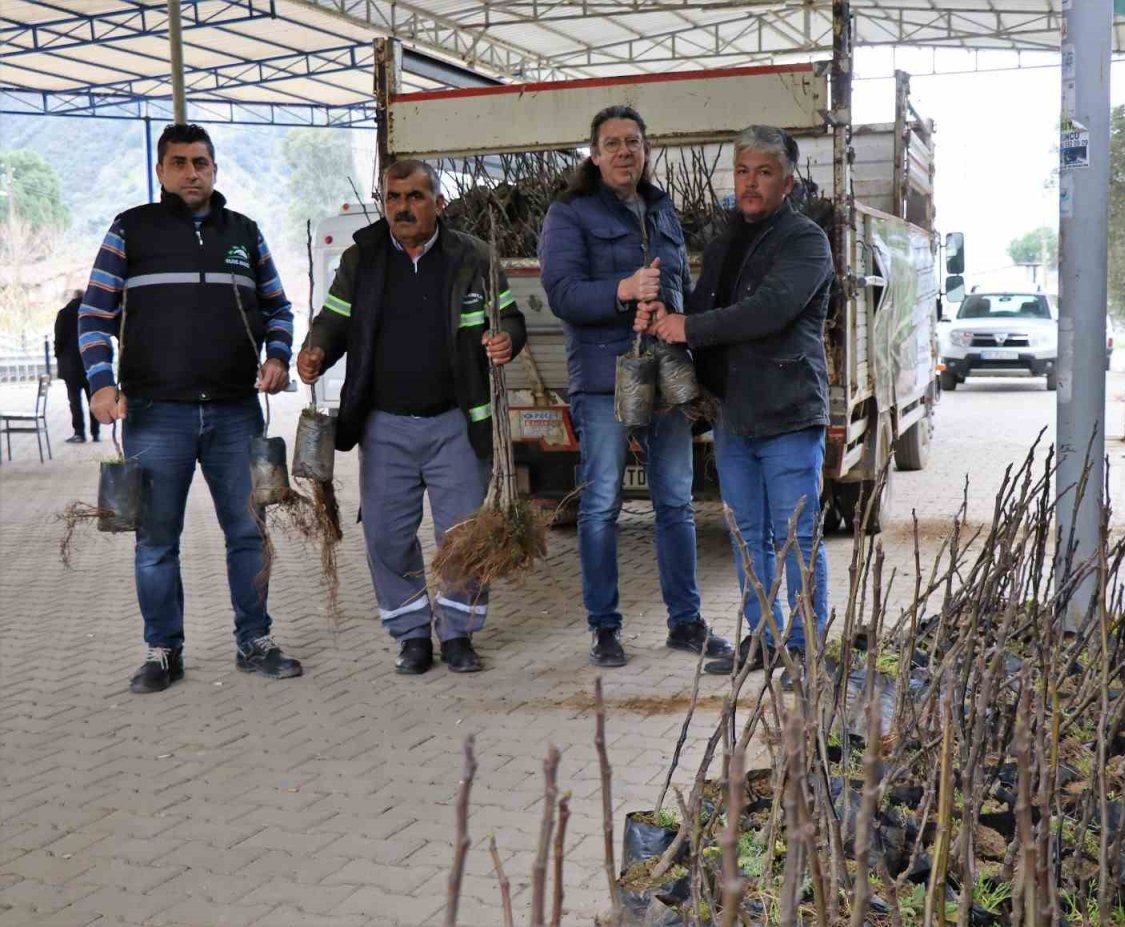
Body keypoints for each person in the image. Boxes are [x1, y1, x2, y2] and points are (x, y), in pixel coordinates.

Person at [80, 123, 302, 694]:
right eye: (178, 163)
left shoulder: (244, 234)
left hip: (235, 412)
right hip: (156, 415)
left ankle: (255, 641)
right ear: (159, 172)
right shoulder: (131, 230)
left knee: (248, 533)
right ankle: (162, 651)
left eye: (200, 163)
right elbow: (94, 316)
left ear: (215, 169)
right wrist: (102, 386)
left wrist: (278, 356)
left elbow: (279, 307)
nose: (190, 173)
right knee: (155, 542)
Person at [296, 159, 526, 676]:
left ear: (438, 204)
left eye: (415, 196)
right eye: (394, 197)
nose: (403, 207)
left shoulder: (473, 256)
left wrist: (507, 338)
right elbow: (333, 320)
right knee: (386, 533)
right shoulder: (363, 259)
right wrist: (314, 350)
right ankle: (411, 634)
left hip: (456, 424)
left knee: (464, 535)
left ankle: (460, 633)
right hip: (385, 425)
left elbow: (509, 314)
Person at [539, 104, 733, 668]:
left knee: (676, 500)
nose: (625, 152)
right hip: (604, 378)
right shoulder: (569, 214)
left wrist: (673, 312)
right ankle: (604, 628)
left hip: (666, 374)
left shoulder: (662, 208)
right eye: (612, 143)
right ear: (594, 156)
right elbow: (563, 295)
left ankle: (686, 622)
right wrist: (623, 291)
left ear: (646, 151)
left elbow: (680, 283)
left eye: (634, 142)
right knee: (601, 505)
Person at [642, 125, 834, 680]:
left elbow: (769, 309)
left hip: (787, 413)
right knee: (749, 534)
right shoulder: (726, 242)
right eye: (744, 171)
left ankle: (804, 644)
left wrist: (688, 326)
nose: (751, 183)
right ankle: (765, 637)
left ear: (788, 183)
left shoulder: (804, 241)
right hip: (733, 416)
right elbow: (701, 307)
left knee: (796, 536)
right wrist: (662, 316)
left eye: (764, 172)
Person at [54, 289, 99, 443]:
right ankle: (96, 433)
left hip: (70, 365)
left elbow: (58, 340)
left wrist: (59, 355)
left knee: (74, 401)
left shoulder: (64, 313)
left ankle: (79, 433)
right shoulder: (91, 313)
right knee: (93, 399)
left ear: (73, 298)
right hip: (90, 362)